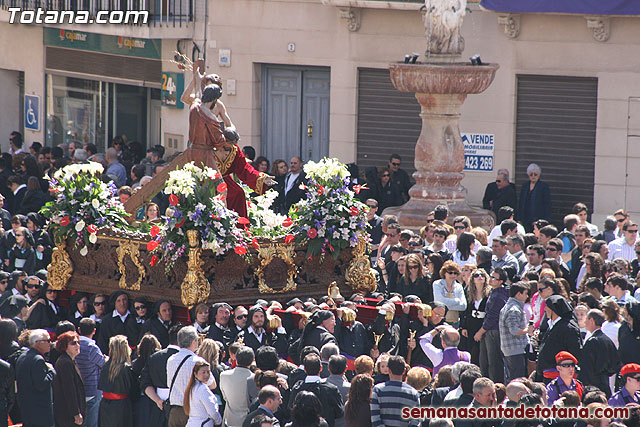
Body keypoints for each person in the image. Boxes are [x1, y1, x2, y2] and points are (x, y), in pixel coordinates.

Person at [167, 326, 213, 427]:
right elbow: (212, 384)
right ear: (193, 341)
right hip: (192, 412)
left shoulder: (170, 360)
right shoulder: (198, 361)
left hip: (174, 411)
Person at [141, 324, 183, 427]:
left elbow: (145, 384)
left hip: (158, 407)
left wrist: (158, 401)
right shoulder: (188, 359)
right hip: (180, 409)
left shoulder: (154, 357)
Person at [288, 353, 344, 427]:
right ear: (321, 368)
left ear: (304, 369)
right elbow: (339, 412)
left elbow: (290, 408)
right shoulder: (330, 389)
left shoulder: (297, 388)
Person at [535, 296, 582, 383]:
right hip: (547, 373)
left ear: (553, 309)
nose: (545, 309)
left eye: (547, 307)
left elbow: (575, 351)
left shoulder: (568, 328)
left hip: (559, 375)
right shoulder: (553, 324)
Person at [15, 329, 56, 427]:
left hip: (27, 410)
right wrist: (51, 371)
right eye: (48, 340)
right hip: (40, 413)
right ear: (38, 343)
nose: (50, 343)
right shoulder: (38, 360)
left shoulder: (23, 357)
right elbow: (41, 384)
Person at [476, 268, 509, 384]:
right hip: (490, 331)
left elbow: (492, 317)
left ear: (501, 282)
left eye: (494, 278)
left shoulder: (498, 296)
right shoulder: (494, 293)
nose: (491, 279)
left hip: (493, 331)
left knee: (493, 362)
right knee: (486, 361)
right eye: (491, 276)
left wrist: (480, 332)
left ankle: (495, 386)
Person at [370, 355, 420, 427]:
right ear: (404, 371)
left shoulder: (378, 390)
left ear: (389, 370)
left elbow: (375, 419)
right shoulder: (413, 393)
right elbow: (415, 421)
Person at [579, 309, 619, 397]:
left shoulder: (592, 341)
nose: (585, 322)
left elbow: (586, 367)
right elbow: (615, 364)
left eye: (586, 319)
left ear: (591, 320)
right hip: (605, 385)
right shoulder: (607, 340)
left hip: (592, 389)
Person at [76, 318, 106, 427]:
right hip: (92, 390)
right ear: (94, 331)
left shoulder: (74, 345)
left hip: (78, 390)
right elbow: (103, 364)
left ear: (79, 330)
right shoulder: (91, 347)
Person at [499, 282, 531, 383]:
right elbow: (514, 330)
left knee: (511, 378)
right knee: (516, 380)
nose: (527, 296)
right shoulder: (514, 309)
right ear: (518, 294)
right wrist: (527, 330)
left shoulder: (510, 306)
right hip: (515, 350)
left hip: (510, 349)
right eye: (525, 293)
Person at [53, 331, 85, 427]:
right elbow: (69, 389)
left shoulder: (70, 360)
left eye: (78, 342)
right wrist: (76, 413)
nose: (77, 345)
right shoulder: (65, 363)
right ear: (64, 346)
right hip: (67, 413)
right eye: (73, 343)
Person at [460, 268, 490, 365]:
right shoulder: (469, 293)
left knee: (483, 353)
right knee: (472, 351)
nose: (480, 277)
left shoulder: (490, 293)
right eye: (477, 275)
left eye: (482, 275)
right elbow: (465, 311)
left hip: (484, 325)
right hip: (471, 324)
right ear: (473, 279)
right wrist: (463, 327)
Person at [220, 346, 255, 426]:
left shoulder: (224, 375)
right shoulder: (254, 378)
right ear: (252, 361)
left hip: (229, 420)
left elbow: (225, 397)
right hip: (247, 421)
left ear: (236, 359)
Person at [183, 361, 223, 427]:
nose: (207, 375)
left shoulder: (192, 387)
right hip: (203, 424)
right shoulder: (203, 389)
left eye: (208, 372)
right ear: (195, 374)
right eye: (203, 372)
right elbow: (212, 411)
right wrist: (218, 421)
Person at [518, 163, 551, 231]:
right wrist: (519, 218)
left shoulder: (543, 187)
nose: (533, 176)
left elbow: (547, 204)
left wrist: (545, 220)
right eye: (531, 174)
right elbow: (521, 203)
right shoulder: (525, 186)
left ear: (539, 175)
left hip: (537, 218)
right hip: (525, 218)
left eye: (535, 174)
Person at [432, 261, 467, 326]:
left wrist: (445, 303)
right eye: (450, 273)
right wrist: (457, 301)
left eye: (455, 273)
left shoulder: (459, 286)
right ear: (444, 273)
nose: (453, 275)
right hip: (440, 321)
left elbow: (463, 306)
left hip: (455, 322)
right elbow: (439, 302)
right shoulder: (437, 284)